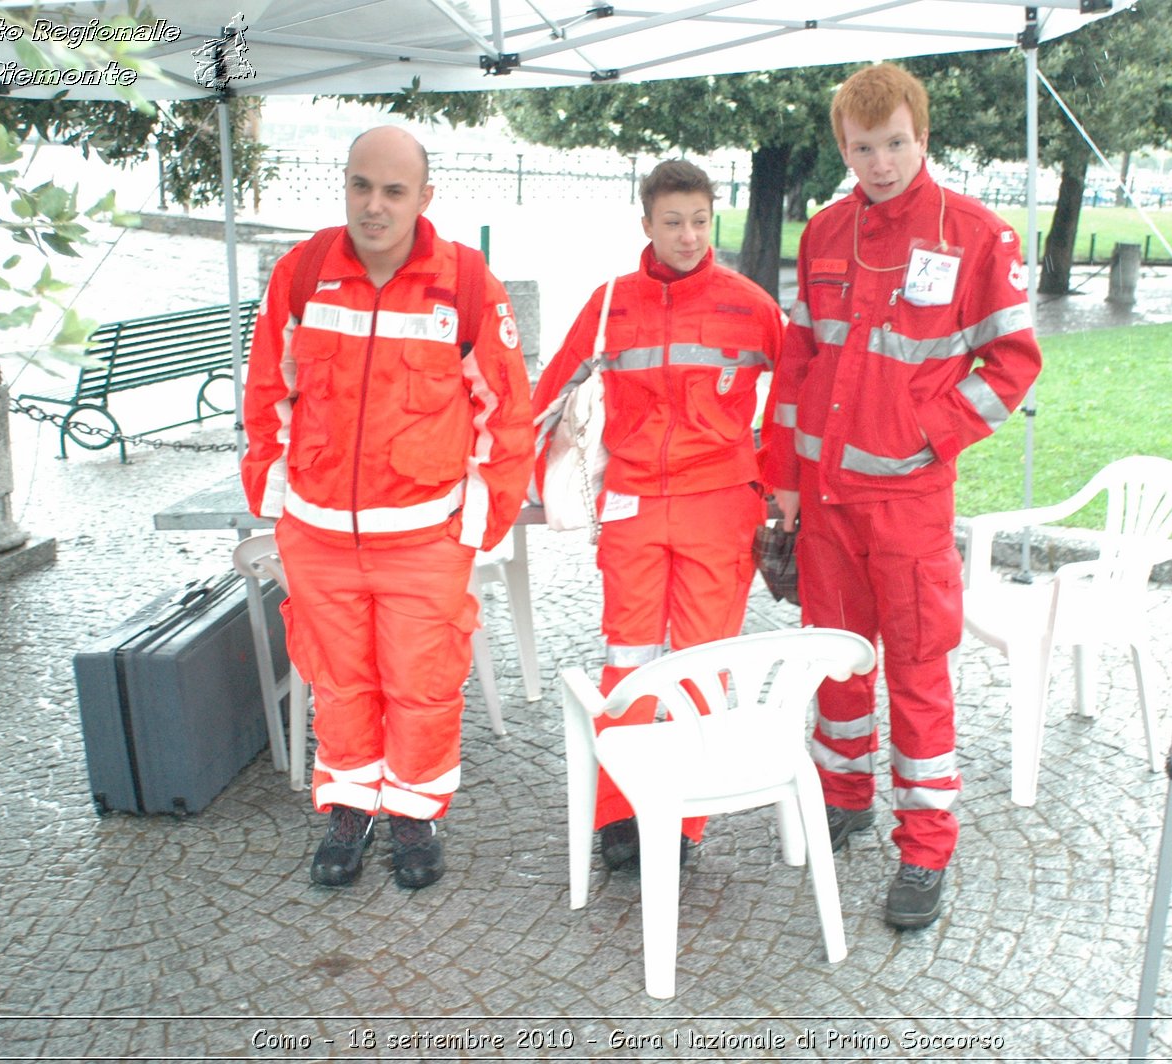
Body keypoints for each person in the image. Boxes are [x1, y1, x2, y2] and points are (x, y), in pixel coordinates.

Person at [763, 63, 1042, 929]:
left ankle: (925, 849)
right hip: (827, 504)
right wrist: (783, 479)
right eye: (861, 147)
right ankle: (844, 798)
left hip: (910, 508)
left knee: (919, 677)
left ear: (923, 137)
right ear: (843, 147)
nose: (878, 162)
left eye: (894, 144)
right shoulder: (823, 232)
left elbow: (1015, 365)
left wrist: (928, 433)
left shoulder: (978, 236)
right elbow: (798, 360)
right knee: (836, 667)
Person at [241, 127, 535, 891]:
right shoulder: (302, 274)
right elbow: (267, 397)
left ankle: (413, 814)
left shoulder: (466, 285)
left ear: (424, 198)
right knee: (340, 684)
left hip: (423, 541)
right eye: (360, 186)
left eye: (394, 191)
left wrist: (475, 528)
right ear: (344, 186)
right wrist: (276, 506)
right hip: (319, 538)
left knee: (423, 684)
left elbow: (505, 415)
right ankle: (349, 808)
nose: (375, 205)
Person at [532, 159, 784, 871]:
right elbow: (550, 394)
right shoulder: (611, 302)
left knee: (703, 669)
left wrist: (777, 484)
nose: (688, 235)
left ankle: (685, 819)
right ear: (645, 224)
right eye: (672, 222)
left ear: (715, 219)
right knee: (630, 664)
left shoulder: (749, 304)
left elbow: (797, 395)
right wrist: (506, 475)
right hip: (634, 507)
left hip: (720, 509)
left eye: (700, 221)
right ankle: (621, 812)